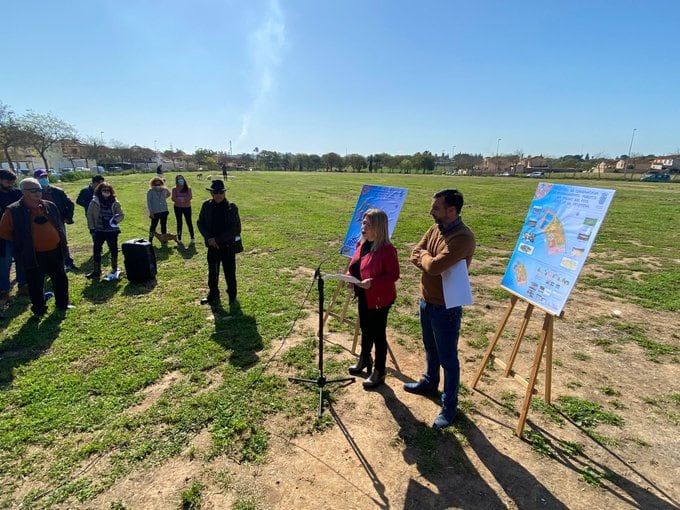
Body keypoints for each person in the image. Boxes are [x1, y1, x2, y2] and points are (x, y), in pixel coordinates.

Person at [405, 189, 476, 429]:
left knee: (448, 357)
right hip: (427, 301)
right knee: (430, 347)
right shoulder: (436, 228)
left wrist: (426, 259)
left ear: (451, 211)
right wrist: (426, 258)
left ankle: (449, 405)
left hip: (446, 307)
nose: (431, 212)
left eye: (436, 208)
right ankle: (430, 381)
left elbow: (434, 267)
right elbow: (415, 252)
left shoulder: (463, 238)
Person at [0, 178, 73, 318]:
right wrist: (23, 243)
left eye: (39, 189)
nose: (37, 193)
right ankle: (39, 310)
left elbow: (57, 224)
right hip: (33, 254)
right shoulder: (13, 210)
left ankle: (63, 304)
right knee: (35, 283)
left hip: (55, 250)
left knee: (60, 278)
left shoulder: (50, 206)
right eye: (33, 190)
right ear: (23, 192)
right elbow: (5, 233)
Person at [346, 208, 400, 389]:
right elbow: (354, 266)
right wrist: (349, 278)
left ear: (378, 228)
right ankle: (364, 358)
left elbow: (393, 275)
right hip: (363, 295)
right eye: (363, 222)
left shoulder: (387, 249)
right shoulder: (361, 244)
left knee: (378, 335)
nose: (363, 227)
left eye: (368, 224)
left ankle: (379, 371)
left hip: (379, 299)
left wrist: (373, 282)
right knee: (365, 329)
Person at [197, 180, 241, 305]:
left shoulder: (232, 207)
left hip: (227, 245)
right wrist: (209, 238)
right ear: (212, 193)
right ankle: (213, 294)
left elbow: (236, 228)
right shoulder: (206, 205)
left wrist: (217, 239)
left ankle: (232, 295)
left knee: (229, 271)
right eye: (215, 192)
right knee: (212, 272)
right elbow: (200, 223)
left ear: (224, 193)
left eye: (221, 192)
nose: (218, 195)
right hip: (212, 246)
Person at [34, 169, 77, 270]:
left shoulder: (57, 191)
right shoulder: (34, 193)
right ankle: (47, 264)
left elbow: (69, 204)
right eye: (41, 178)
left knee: (62, 240)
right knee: (44, 242)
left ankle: (67, 262)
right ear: (36, 179)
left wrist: (67, 217)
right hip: (41, 223)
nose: (44, 179)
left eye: (45, 177)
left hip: (58, 221)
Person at [86, 182, 124, 279]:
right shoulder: (94, 201)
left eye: (108, 190)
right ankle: (96, 270)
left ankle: (115, 268)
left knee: (114, 249)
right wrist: (92, 228)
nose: (106, 192)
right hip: (99, 230)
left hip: (111, 230)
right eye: (104, 190)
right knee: (97, 250)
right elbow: (89, 215)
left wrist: (115, 220)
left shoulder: (115, 202)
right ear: (100, 191)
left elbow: (121, 214)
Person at [0, 169, 27, 301]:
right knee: (4, 264)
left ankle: (23, 286)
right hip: (3, 238)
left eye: (12, 182)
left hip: (18, 235)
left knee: (22, 261)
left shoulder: (17, 193)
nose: (10, 185)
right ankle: (4, 290)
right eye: (7, 182)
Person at [171, 174, 195, 244]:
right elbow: (173, 198)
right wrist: (183, 199)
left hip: (187, 207)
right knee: (179, 222)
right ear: (176, 181)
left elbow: (189, 197)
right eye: (178, 179)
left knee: (189, 222)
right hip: (177, 207)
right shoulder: (174, 189)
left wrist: (180, 198)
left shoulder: (188, 188)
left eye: (181, 178)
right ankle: (179, 238)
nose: (180, 180)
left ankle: (192, 237)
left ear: (184, 179)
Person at [147, 176, 170, 243]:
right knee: (153, 226)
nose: (157, 186)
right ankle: (150, 240)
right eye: (156, 184)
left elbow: (169, 194)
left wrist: (164, 196)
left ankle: (164, 239)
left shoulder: (164, 190)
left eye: (159, 184)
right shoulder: (150, 191)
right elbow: (149, 202)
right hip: (155, 212)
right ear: (153, 184)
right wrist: (151, 212)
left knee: (164, 225)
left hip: (164, 210)